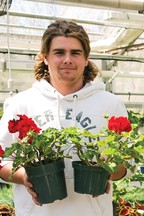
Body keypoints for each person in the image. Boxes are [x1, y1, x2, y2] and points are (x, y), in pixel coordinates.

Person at [0, 20, 128, 216]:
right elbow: (2, 160)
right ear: (45, 57)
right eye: (59, 52)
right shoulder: (20, 103)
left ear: (86, 59)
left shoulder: (110, 104)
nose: (67, 59)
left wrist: (109, 170)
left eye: (75, 53)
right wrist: (25, 176)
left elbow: (127, 165)